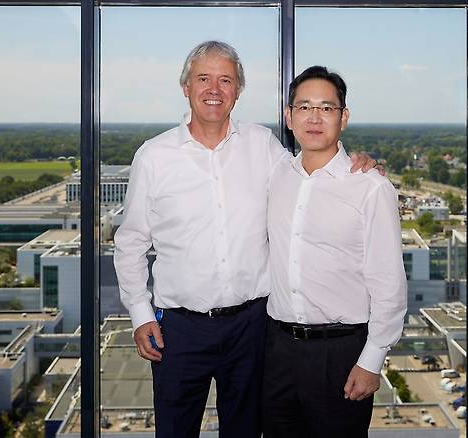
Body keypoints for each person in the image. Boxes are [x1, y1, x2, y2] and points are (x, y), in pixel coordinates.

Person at [113, 42, 379, 438]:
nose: (214, 89)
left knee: (246, 432)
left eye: (226, 80)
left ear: (238, 91)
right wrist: (140, 313)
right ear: (185, 86)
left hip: (252, 329)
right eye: (204, 78)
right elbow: (130, 242)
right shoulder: (154, 156)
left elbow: (311, 176)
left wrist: (360, 167)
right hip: (179, 331)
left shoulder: (264, 146)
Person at [263, 65, 408, 438]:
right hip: (277, 350)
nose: (314, 117)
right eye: (304, 107)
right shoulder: (275, 176)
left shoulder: (370, 188)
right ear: (288, 116)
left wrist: (372, 361)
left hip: (341, 354)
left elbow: (388, 282)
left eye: (326, 108)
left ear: (343, 118)